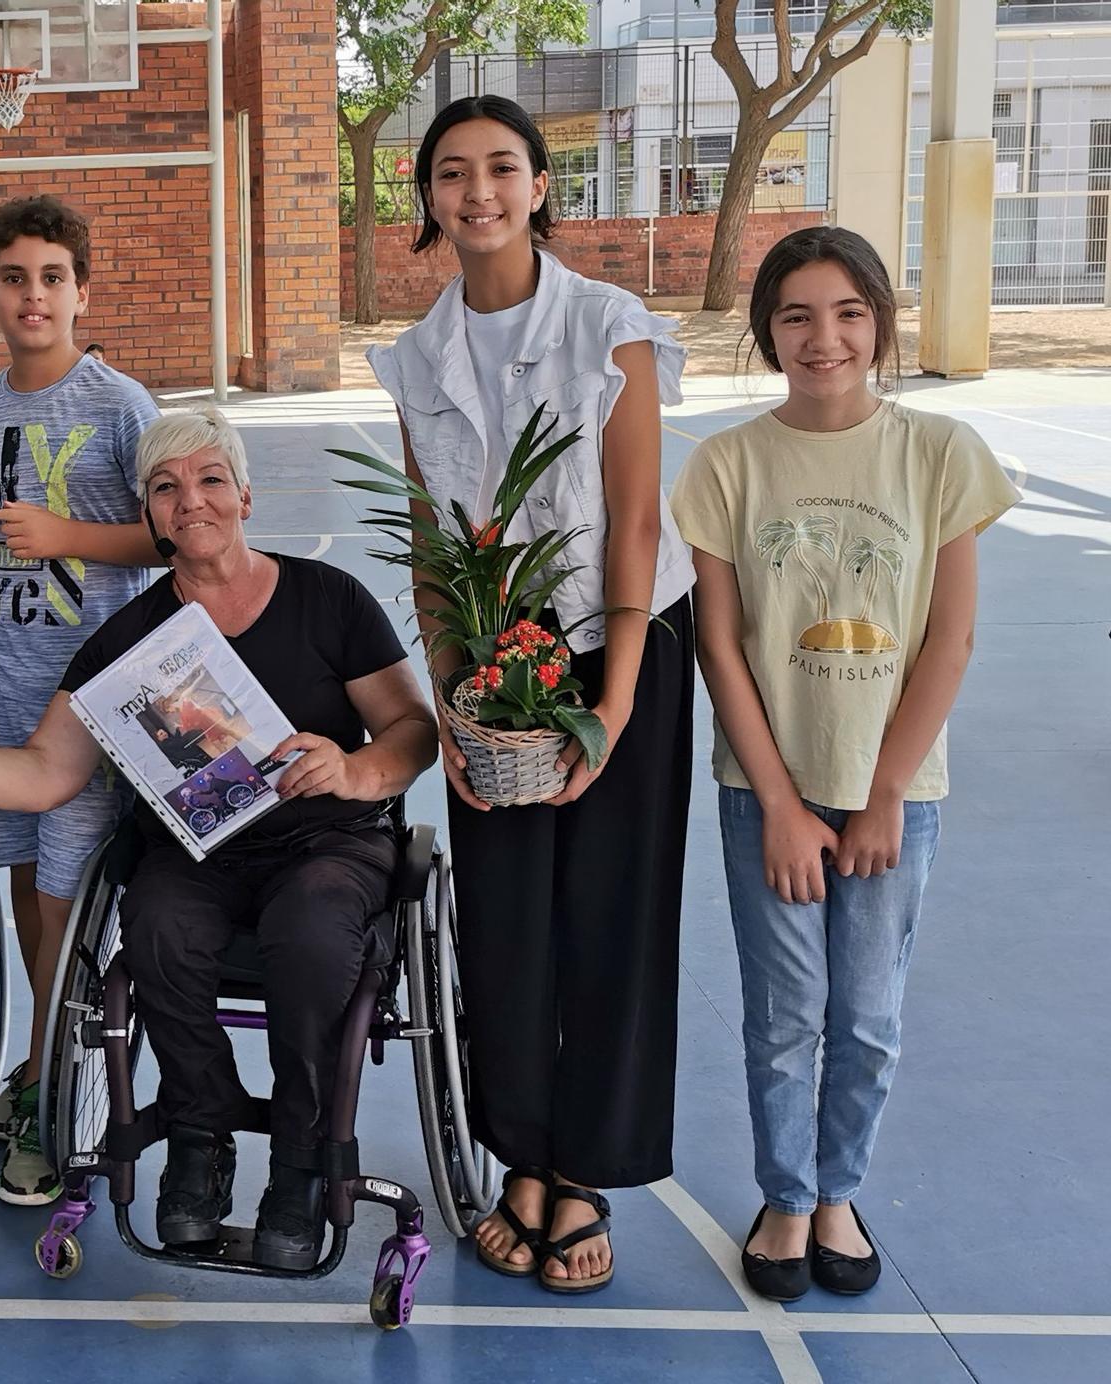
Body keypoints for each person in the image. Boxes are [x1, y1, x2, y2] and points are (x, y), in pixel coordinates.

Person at [0, 406, 437, 1257]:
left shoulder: (327, 598)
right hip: (200, 850)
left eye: (208, 480)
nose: (189, 501)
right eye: (164, 488)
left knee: (312, 931)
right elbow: (45, 773)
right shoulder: (127, 647)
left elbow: (412, 730)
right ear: (149, 515)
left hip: (327, 842)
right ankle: (200, 1137)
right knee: (158, 928)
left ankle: (303, 1154)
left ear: (244, 494)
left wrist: (356, 771)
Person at [368, 94, 696, 1294]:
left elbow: (637, 520)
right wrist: (453, 696)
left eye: (500, 168)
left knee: (606, 914)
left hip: (619, 643)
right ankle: (520, 1154)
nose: (477, 192)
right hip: (493, 653)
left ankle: (585, 1171)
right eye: (451, 173)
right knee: (501, 919)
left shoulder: (608, 326)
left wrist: (608, 705)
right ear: (428, 198)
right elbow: (424, 538)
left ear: (541, 185)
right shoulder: (415, 358)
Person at [669, 228, 1018, 1302]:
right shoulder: (726, 463)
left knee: (863, 1017)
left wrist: (879, 795)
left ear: (878, 321)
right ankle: (783, 1193)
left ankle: (836, 1191)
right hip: (762, 791)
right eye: (795, 317)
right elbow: (718, 643)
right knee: (783, 1014)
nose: (822, 338)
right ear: (766, 332)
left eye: (846, 313)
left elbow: (945, 640)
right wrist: (775, 799)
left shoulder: (938, 454)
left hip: (891, 795)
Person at [0, 194, 163, 1204]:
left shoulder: (120, 404)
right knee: (26, 895)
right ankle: (43, 1057)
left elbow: (168, 538)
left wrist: (67, 537)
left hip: (87, 690)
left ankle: (51, 1085)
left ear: (81, 290)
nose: (32, 295)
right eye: (13, 277)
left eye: (51, 277)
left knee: (65, 906)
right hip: (0, 681)